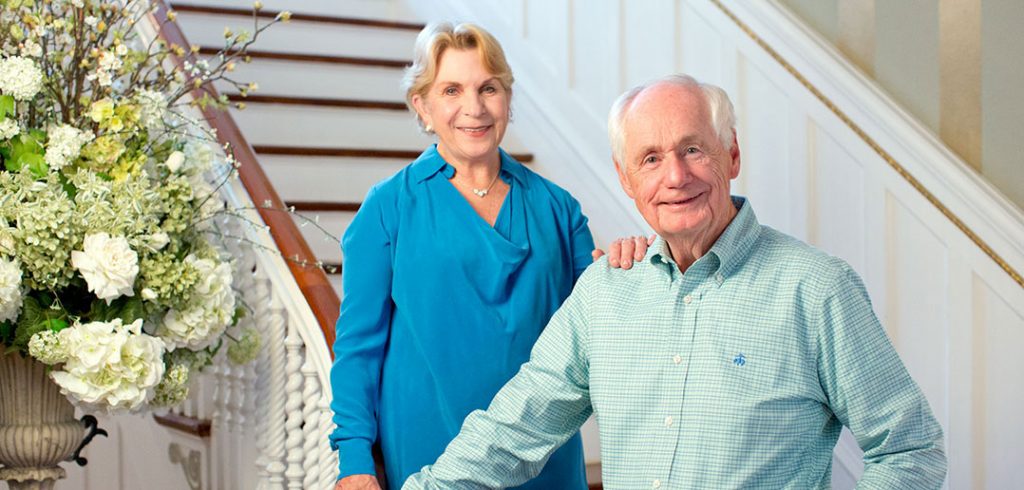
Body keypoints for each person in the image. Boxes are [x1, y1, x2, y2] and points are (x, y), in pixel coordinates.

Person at [403, 74, 948, 489]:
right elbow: (513, 428)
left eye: (693, 149)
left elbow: (910, 449)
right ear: (626, 179)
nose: (675, 177)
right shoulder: (605, 292)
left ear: (731, 153)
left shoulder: (816, 289)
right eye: (650, 158)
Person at [329, 22, 649, 490]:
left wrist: (628, 271)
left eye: (488, 88)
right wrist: (354, 459)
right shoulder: (388, 208)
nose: (474, 108)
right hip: (431, 458)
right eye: (452, 90)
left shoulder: (558, 209)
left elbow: (599, 333)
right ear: (423, 105)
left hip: (545, 454)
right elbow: (358, 348)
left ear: (508, 99)